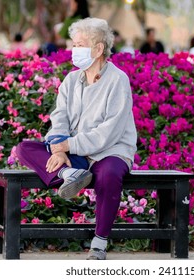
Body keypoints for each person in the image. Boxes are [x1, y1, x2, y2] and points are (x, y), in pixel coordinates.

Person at [16, 17, 138, 260]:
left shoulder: (118, 80)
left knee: (109, 174)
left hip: (110, 151)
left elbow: (110, 131)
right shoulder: (72, 80)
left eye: (79, 45)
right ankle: (68, 175)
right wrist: (59, 150)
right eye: (73, 44)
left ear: (98, 48)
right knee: (24, 149)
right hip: (75, 156)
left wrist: (68, 145)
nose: (74, 50)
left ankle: (99, 242)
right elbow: (59, 116)